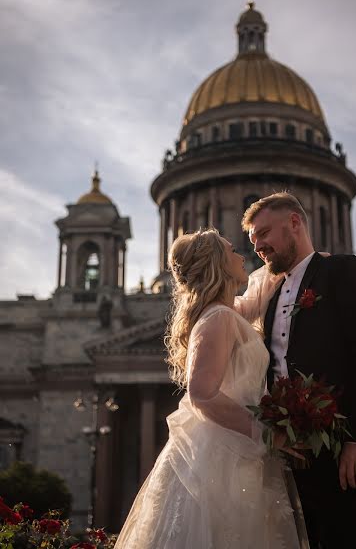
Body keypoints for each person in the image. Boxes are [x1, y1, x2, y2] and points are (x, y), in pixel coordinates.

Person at [114, 229, 309, 549]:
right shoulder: (218, 317)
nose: (243, 255)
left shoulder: (225, 314)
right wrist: (266, 432)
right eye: (233, 251)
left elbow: (255, 297)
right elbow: (202, 394)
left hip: (235, 445)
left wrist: (305, 262)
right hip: (226, 449)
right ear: (218, 262)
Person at [241, 191, 356, 549]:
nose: (258, 247)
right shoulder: (271, 294)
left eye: (264, 234)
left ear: (294, 223)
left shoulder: (342, 270)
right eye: (253, 240)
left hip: (344, 449)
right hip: (293, 454)